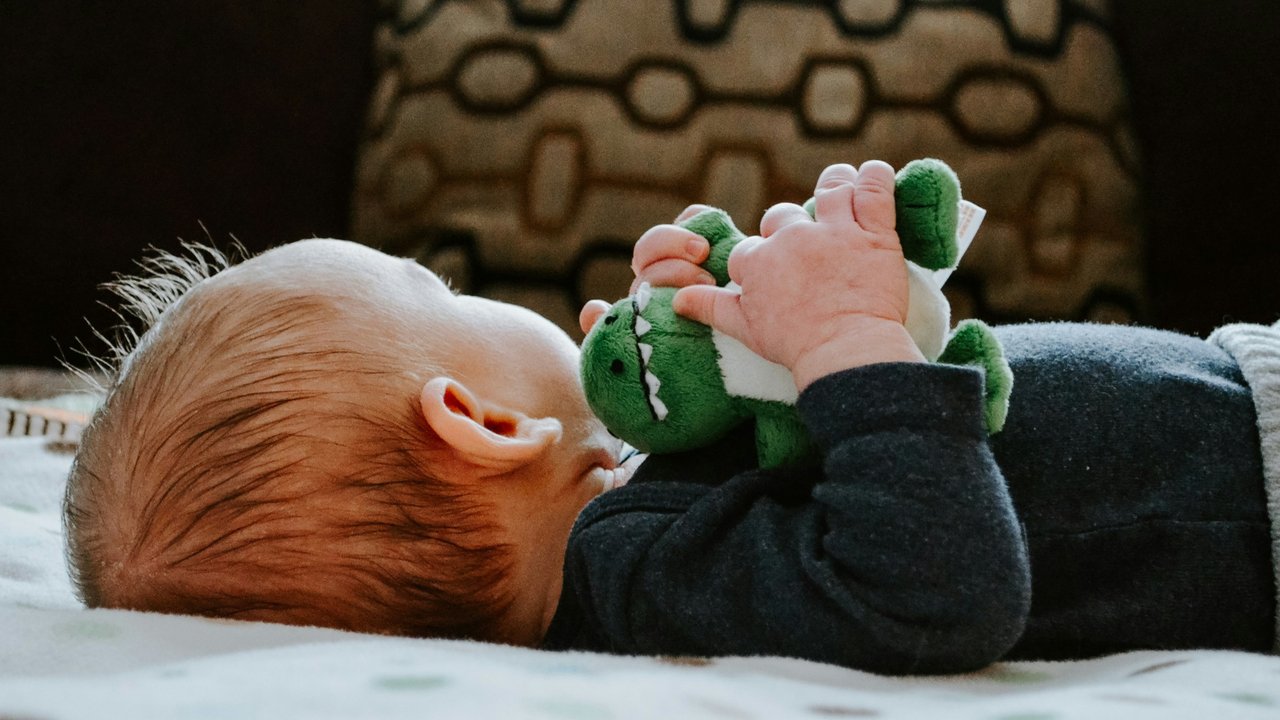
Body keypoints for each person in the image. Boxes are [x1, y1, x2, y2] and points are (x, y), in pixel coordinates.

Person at [63, 162, 1278, 675]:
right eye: (435, 290)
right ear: (478, 422)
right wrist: (846, 346)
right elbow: (934, 588)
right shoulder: (638, 580)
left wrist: (758, 333)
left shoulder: (637, 518)